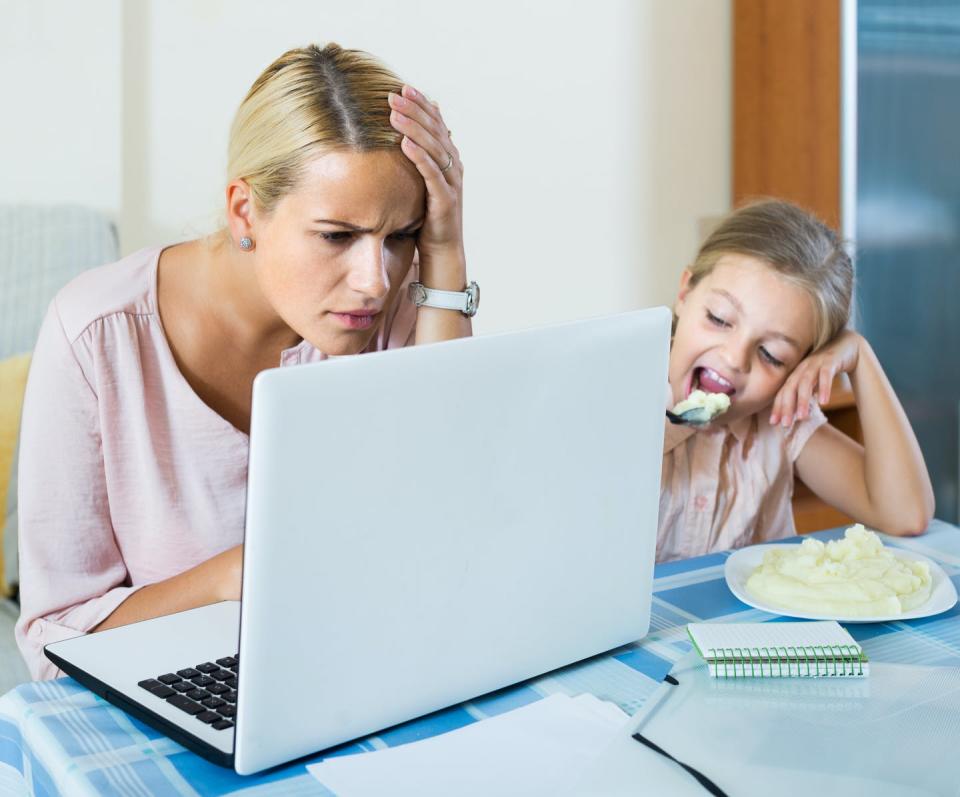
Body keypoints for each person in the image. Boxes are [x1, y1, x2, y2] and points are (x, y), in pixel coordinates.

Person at [16, 43, 474, 680]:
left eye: (401, 236)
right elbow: (51, 643)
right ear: (244, 210)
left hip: (366, 672)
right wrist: (229, 578)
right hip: (172, 694)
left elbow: (454, 526)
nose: (375, 279)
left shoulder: (406, 308)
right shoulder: (96, 334)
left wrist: (446, 249)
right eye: (337, 236)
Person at [658, 199, 934, 562]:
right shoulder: (619, 404)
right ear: (685, 293)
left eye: (771, 354)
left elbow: (906, 514)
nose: (734, 358)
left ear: (798, 368)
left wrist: (860, 356)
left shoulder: (781, 424)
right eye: (719, 318)